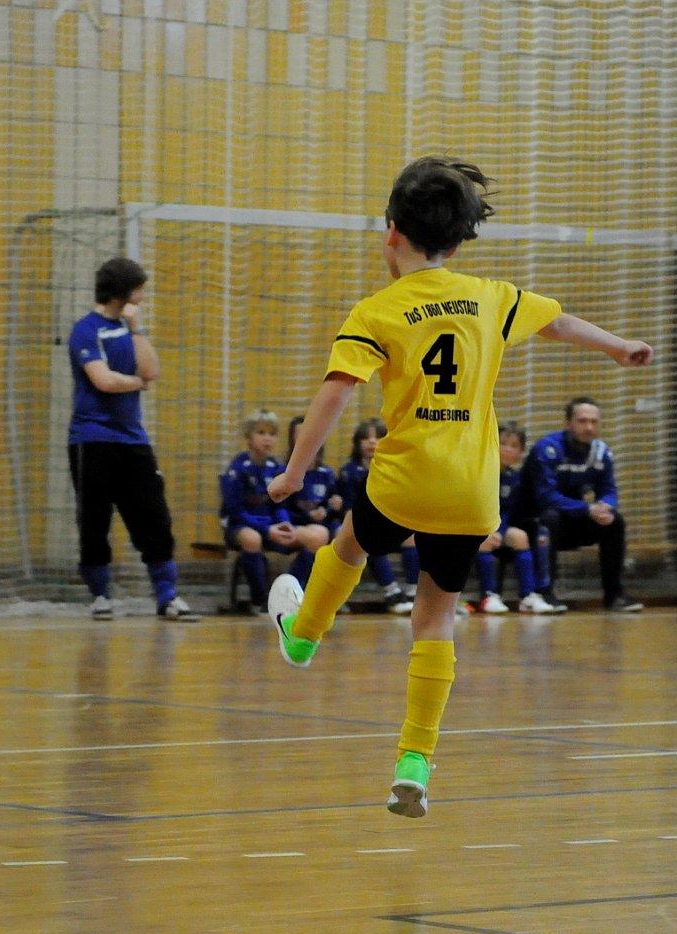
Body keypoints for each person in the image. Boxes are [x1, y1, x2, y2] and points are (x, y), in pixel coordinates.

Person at [263, 155, 653, 819]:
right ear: (458, 240)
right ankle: (414, 760)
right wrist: (617, 346)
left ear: (391, 232)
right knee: (436, 617)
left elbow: (335, 392)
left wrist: (297, 469)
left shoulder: (378, 310)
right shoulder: (491, 296)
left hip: (403, 479)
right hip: (472, 492)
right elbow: (558, 323)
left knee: (350, 542)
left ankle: (303, 634)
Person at [67, 257, 194, 621]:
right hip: (91, 440)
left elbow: (153, 369)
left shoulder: (129, 331)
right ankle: (100, 595)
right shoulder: (86, 330)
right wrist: (138, 383)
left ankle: (167, 596)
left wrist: (136, 328)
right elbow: (104, 380)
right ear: (122, 292)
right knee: (94, 520)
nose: (142, 295)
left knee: (153, 516)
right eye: (138, 289)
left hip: (133, 441)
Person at [526, 397, 642, 612]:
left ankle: (614, 595)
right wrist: (588, 509)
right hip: (533, 522)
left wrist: (605, 506)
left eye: (594, 422)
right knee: (550, 518)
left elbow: (609, 489)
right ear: (568, 423)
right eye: (582, 421)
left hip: (573, 520)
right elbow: (546, 496)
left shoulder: (601, 452)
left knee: (614, 522)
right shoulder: (547, 448)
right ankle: (545, 593)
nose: (589, 427)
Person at [220, 410, 305, 610]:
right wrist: (267, 530)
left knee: (316, 536)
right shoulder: (238, 469)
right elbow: (236, 512)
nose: (267, 438)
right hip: (240, 526)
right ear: (248, 437)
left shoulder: (277, 468)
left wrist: (285, 523)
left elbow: (280, 504)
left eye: (272, 434)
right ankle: (261, 599)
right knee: (252, 539)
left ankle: (289, 595)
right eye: (261, 432)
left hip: (271, 527)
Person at [473, 423, 559, 614]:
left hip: (499, 526)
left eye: (514, 446)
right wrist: (489, 530)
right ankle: (488, 596)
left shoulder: (515, 478)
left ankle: (527, 596)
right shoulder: (479, 473)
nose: (507, 449)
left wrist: (500, 530)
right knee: (484, 541)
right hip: (475, 527)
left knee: (520, 537)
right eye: (503, 443)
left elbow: (507, 511)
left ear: (520, 453)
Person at [338, 420, 418, 613]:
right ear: (357, 443)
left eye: (378, 437)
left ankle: (413, 591)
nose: (372, 442)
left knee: (413, 537)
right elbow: (348, 508)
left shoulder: (394, 469)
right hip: (360, 522)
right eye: (366, 438)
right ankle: (391, 591)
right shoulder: (349, 472)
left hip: (392, 521)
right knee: (369, 536)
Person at [283, 416, 336, 586]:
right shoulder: (284, 473)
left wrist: (329, 509)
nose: (306, 439)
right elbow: (280, 509)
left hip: (321, 525)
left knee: (342, 535)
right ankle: (293, 587)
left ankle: (327, 591)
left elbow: (332, 506)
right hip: (293, 524)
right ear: (292, 440)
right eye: (300, 435)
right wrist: (308, 516)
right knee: (319, 536)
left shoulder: (327, 474)